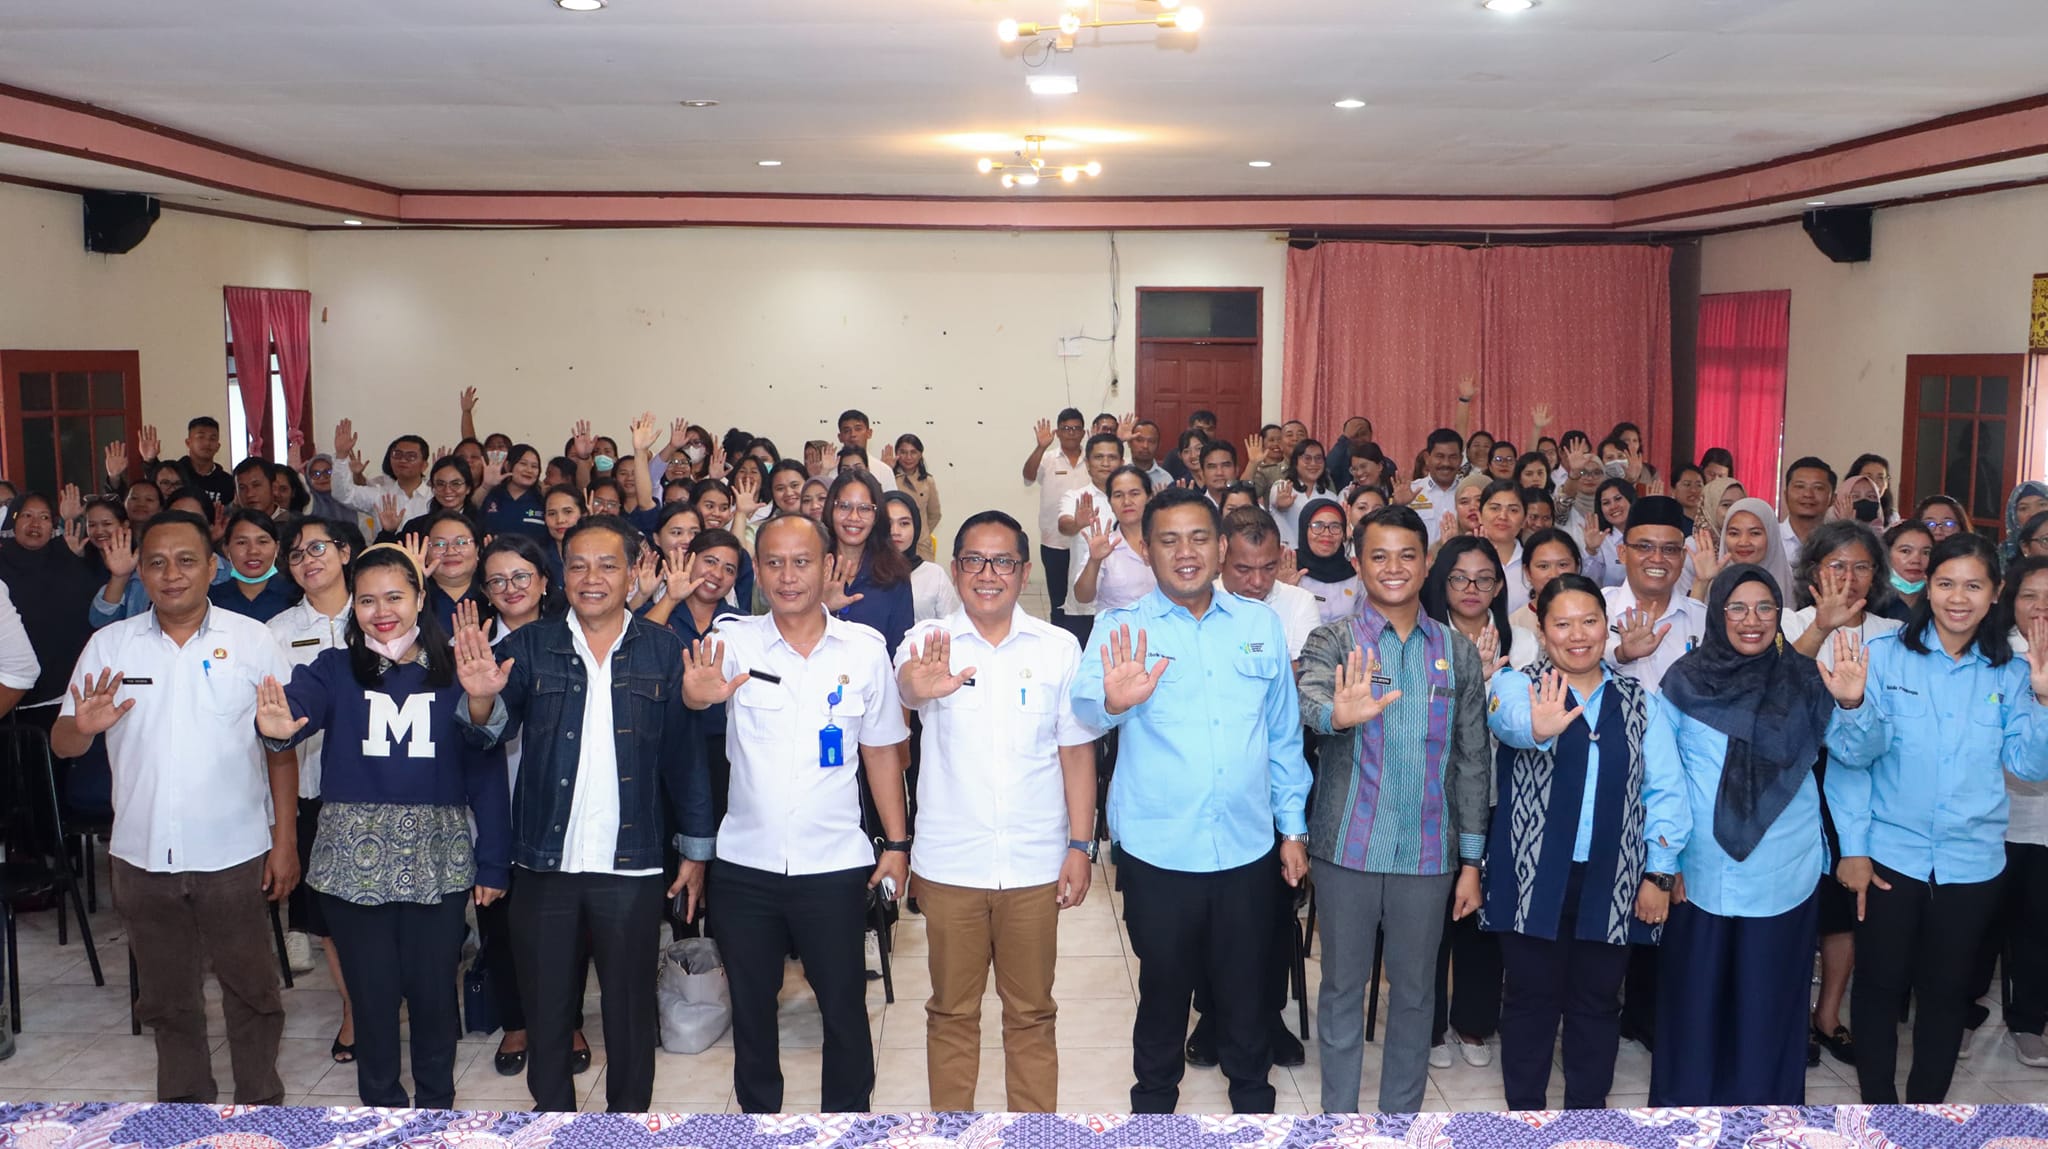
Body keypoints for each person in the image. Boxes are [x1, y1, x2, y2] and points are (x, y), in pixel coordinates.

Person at [452, 514, 714, 1113]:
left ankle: (624, 1125)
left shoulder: (663, 649)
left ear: (632, 575)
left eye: (607, 565)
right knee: (547, 1011)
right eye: (577, 565)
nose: (591, 578)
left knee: (628, 1010)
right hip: (545, 863)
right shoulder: (528, 646)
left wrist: (695, 851)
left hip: (633, 863)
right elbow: (487, 737)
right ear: (560, 576)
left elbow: (685, 760)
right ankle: (554, 1124)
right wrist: (481, 696)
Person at [1071, 487, 1310, 1115]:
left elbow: (1283, 737)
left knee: (1247, 990)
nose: (1186, 553)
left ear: (1222, 546)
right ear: (1146, 550)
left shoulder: (1260, 625)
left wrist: (1292, 830)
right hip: (1159, 852)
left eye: (1199, 538)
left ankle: (1252, 1110)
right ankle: (1152, 1113)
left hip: (1248, 847)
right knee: (1164, 994)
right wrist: (1114, 703)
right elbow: (1083, 708)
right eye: (1169, 540)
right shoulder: (1121, 628)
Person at [52, 509, 299, 1104]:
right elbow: (64, 741)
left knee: (254, 991)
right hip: (140, 855)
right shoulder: (109, 645)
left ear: (212, 568)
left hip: (234, 850)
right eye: (156, 562)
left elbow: (281, 746)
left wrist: (285, 841)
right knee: (167, 999)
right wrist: (82, 728)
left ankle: (260, 1107)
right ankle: (185, 1113)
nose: (171, 575)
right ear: (140, 570)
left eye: (186, 561)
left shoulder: (252, 640)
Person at [256, 543, 511, 1109]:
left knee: (432, 995)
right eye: (366, 599)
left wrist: (493, 859)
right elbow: (295, 710)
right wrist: (277, 723)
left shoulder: (456, 672)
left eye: (394, 596)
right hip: (353, 859)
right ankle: (382, 1111)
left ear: (421, 599)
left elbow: (485, 769)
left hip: (436, 857)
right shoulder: (334, 668)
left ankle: (436, 1110)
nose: (381, 610)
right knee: (370, 998)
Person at [681, 513, 911, 1114]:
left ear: (828, 565)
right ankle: (759, 1122)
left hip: (833, 865)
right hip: (746, 865)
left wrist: (897, 843)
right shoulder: (733, 641)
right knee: (752, 1014)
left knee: (843, 1009)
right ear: (758, 571)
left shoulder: (864, 650)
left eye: (802, 561)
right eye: (775, 563)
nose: (788, 576)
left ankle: (847, 1124)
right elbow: (693, 693)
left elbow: (883, 750)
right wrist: (695, 696)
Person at [1820, 531, 2048, 1103]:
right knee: (1878, 988)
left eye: (1973, 586)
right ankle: (1878, 1111)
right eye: (1946, 583)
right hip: (1890, 859)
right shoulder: (1885, 657)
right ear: (1927, 586)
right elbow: (1852, 760)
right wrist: (1852, 847)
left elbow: (2028, 766)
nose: (1958, 598)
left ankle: (1925, 1117)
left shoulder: (2012, 673)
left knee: (1946, 996)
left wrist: (2045, 700)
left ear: (1995, 593)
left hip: (1971, 866)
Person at [893, 510, 1098, 1111]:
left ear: (1024, 570)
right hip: (951, 865)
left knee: (1032, 1013)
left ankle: (1032, 1131)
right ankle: (951, 1129)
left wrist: (1080, 847)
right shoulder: (926, 643)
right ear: (955, 571)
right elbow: (906, 687)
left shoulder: (1059, 648)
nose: (989, 574)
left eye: (1003, 561)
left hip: (1035, 866)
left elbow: (1076, 755)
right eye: (974, 561)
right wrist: (916, 687)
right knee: (951, 1012)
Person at [1298, 504, 1489, 1113]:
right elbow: (1309, 702)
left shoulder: (1455, 654)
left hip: (1430, 854)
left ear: (1427, 561)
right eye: (1378, 555)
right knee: (1342, 990)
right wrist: (1337, 714)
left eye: (1408, 554)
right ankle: (1339, 1120)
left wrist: (1471, 862)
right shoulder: (1332, 639)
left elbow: (1471, 760)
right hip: (1347, 850)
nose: (1394, 567)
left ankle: (1401, 1121)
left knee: (1414, 994)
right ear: (1357, 564)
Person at [1482, 573, 1677, 1111]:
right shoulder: (1514, 685)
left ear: (1605, 627)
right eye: (1561, 623)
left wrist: (1660, 872)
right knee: (1528, 1001)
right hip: (1530, 875)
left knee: (1596, 1002)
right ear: (1542, 632)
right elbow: (1514, 726)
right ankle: (1526, 1121)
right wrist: (1540, 728)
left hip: (1613, 875)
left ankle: (1588, 1122)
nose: (1577, 634)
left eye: (1589, 621)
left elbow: (1665, 791)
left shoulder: (1641, 702)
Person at [1647, 565, 1836, 1106]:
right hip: (1700, 873)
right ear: (1716, 611)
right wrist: (1663, 863)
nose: (1750, 621)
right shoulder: (1683, 681)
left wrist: (1848, 703)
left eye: (1764, 609)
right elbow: (1665, 781)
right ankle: (1686, 1127)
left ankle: (1767, 1126)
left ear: (1780, 615)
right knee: (1695, 1008)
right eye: (1737, 607)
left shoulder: (1805, 678)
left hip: (1784, 872)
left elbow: (1856, 754)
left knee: (1768, 1009)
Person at [1781, 520, 1901, 1069]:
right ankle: (1790, 1016)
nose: (1848, 578)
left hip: (1868, 783)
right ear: (1812, 571)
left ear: (1876, 575)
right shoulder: (1788, 624)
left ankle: (1827, 1016)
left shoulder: (1896, 636)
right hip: (1797, 782)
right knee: (1799, 905)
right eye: (1836, 566)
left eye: (1861, 567)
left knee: (1845, 913)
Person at [469, 533, 587, 1079]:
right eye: (498, 580)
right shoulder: (475, 651)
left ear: (544, 581)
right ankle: (516, 1021)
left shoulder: (574, 640)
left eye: (522, 576)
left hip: (560, 809)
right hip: (493, 809)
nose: (511, 588)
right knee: (501, 922)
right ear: (486, 592)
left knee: (568, 924)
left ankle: (568, 1022)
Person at [266, 516, 362, 1058]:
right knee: (330, 918)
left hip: (378, 787)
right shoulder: (276, 632)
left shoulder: (380, 611)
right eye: (297, 554)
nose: (309, 560)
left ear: (346, 552)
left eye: (319, 548)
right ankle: (354, 1008)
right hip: (313, 793)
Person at [1973, 557, 2048, 1068]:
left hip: (2044, 829)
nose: (2041, 608)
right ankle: (1960, 1011)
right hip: (1991, 823)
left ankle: (2028, 1022)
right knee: (1978, 927)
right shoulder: (1990, 656)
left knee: (2037, 927)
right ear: (2007, 598)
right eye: (2029, 596)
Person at [1606, 496, 1708, 692]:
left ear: (1683, 557)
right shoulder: (1598, 608)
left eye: (1669, 549)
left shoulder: (1702, 619)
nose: (1657, 558)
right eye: (1644, 547)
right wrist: (1621, 654)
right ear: (1622, 553)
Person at [825, 471, 915, 657]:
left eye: (864, 508)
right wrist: (821, 607)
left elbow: (900, 653)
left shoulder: (894, 575)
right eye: (844, 506)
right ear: (830, 510)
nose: (853, 517)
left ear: (876, 516)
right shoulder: (811, 566)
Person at [1219, 508, 1322, 663]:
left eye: (1269, 568)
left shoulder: (1299, 602)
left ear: (1280, 554)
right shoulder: (1199, 604)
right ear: (1220, 554)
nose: (1258, 581)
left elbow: (1306, 671)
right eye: (1244, 569)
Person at [1424, 535, 1538, 671]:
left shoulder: (1523, 641)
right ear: (1443, 583)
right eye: (1460, 578)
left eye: (1483, 579)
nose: (1471, 589)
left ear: (1497, 587)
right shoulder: (1423, 642)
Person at [1022, 410, 1090, 635]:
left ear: (1084, 432)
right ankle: (1059, 640)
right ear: (1058, 432)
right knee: (1059, 600)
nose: (1071, 433)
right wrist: (1040, 447)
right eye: (1066, 429)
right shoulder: (1048, 458)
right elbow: (1028, 477)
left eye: (1076, 428)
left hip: (1089, 543)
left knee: (1087, 599)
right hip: (1055, 542)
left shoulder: (1093, 459)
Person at [1056, 434, 1127, 646]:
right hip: (1084, 603)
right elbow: (1064, 525)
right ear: (1087, 464)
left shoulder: (1134, 499)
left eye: (1112, 457)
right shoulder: (1075, 496)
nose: (1105, 463)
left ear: (1122, 463)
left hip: (1123, 602)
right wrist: (1077, 523)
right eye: (1098, 457)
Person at [1072, 466, 1157, 615]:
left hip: (1160, 629)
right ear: (1110, 503)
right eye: (1118, 495)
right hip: (1114, 631)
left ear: (1149, 497)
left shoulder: (1165, 542)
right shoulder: (1104, 544)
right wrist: (1094, 560)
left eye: (1135, 493)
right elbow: (1083, 597)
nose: (1127, 501)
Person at [1693, 496, 1793, 603]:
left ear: (1771, 536)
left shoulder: (1794, 586)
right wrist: (1701, 583)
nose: (1744, 542)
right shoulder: (1712, 584)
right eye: (1734, 533)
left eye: (1755, 533)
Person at [331, 421, 434, 526]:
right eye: (397, 455)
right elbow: (343, 494)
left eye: (411, 456)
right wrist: (341, 456)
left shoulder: (434, 495)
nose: (402, 460)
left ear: (424, 465)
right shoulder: (379, 495)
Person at [885, 492, 959, 623]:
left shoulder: (934, 575)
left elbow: (953, 626)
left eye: (904, 523)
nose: (895, 531)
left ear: (916, 528)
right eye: (887, 523)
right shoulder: (863, 573)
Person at [210, 509, 294, 622]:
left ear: (277, 548)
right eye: (242, 542)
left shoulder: (296, 595)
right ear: (226, 550)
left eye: (262, 542)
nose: (253, 551)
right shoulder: (211, 600)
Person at [1295, 498, 1361, 624]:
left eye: (1335, 526)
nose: (1327, 533)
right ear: (1304, 529)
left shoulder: (1354, 574)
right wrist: (1282, 590)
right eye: (1317, 526)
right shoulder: (1289, 569)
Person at [1509, 528, 1581, 635]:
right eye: (1543, 566)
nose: (1554, 575)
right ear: (1527, 572)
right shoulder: (1515, 623)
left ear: (1577, 567)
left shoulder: (1592, 612)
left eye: (1563, 565)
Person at [1268, 438, 1337, 545]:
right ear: (1295, 462)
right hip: (1286, 555)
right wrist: (1281, 505)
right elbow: (1276, 502)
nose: (1313, 463)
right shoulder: (1282, 487)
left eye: (1318, 458)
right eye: (1307, 458)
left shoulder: (1331, 497)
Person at [1477, 479, 1529, 614]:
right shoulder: (1464, 560)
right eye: (1495, 508)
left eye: (1513, 510)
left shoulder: (1533, 563)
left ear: (1524, 520)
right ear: (1479, 515)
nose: (1503, 516)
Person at [477, 444, 548, 541]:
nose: (529, 470)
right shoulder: (493, 495)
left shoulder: (543, 500)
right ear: (508, 466)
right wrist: (486, 486)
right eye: (523, 463)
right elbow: (472, 507)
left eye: (534, 466)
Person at [892, 433, 942, 562]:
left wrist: (920, 532)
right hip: (894, 545)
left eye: (913, 452)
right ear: (896, 454)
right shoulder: (889, 478)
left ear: (920, 455)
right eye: (903, 452)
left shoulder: (928, 481)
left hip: (921, 546)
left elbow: (934, 514)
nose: (908, 457)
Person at [1579, 478, 1636, 588]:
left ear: (1630, 500)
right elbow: (1589, 582)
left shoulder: (1646, 534)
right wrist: (1591, 550)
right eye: (1606, 503)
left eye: (1618, 499)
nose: (1613, 506)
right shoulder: (1600, 541)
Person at [1780, 457, 1835, 565]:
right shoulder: (1769, 538)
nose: (1808, 494)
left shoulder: (1838, 543)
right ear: (1785, 495)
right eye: (1800, 486)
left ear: (1833, 498)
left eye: (1818, 488)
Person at [1880, 519, 1935, 622]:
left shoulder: (1938, 605)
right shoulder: (1871, 603)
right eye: (1905, 551)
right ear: (1886, 553)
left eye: (1926, 552)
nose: (1916, 560)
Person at [1243, 424, 1287, 502]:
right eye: (1271, 440)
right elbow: (1243, 491)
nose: (1276, 444)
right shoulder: (1258, 471)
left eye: (1280, 439)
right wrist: (1252, 463)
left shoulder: (1292, 466)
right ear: (1262, 445)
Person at [2004, 482, 2048, 561]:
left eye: (2042, 504)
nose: (2033, 513)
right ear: (2013, 517)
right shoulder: (2002, 557)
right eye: (2023, 508)